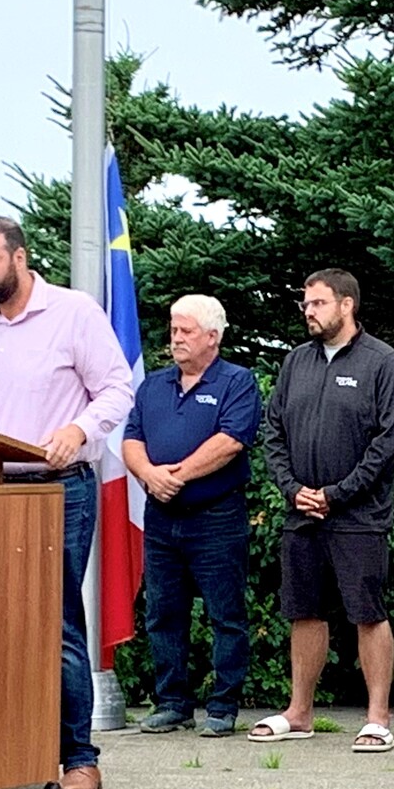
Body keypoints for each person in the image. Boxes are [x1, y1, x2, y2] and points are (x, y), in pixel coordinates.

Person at [0, 216, 133, 789]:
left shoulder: (73, 313)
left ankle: (78, 755)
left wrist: (79, 427)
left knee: (56, 620)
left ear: (19, 259)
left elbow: (118, 387)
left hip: (57, 485)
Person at [255, 268, 394, 753]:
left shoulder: (382, 363)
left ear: (347, 305)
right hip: (301, 512)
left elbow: (391, 439)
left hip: (358, 517)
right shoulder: (296, 362)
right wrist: (291, 487)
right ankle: (299, 712)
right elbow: (273, 430)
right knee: (304, 612)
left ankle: (378, 718)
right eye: (306, 303)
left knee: (367, 612)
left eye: (319, 303)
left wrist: (339, 491)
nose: (309, 311)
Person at [121, 295, 259, 738]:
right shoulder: (154, 385)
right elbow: (131, 438)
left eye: (186, 331)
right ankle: (172, 703)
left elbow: (232, 440)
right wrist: (148, 474)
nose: (176, 339)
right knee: (163, 612)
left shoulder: (237, 382)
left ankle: (223, 706)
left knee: (226, 614)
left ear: (212, 337)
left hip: (216, 516)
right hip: (161, 518)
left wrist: (174, 476)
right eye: (173, 330)